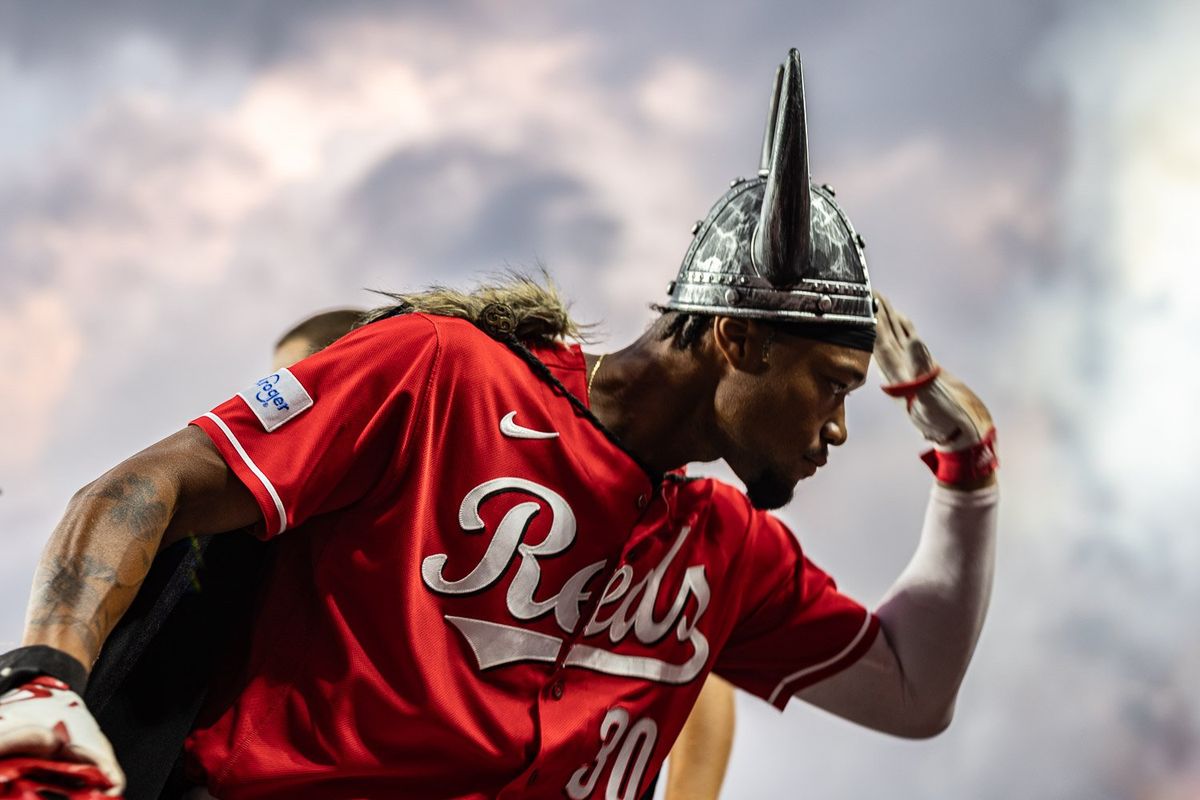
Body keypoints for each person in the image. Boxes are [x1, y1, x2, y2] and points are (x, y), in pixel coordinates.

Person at [0, 49, 999, 800]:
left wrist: (967, 469)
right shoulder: (440, 373)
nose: (838, 426)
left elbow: (911, 692)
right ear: (737, 339)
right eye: (833, 383)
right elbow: (140, 487)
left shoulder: (724, 553)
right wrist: (42, 678)